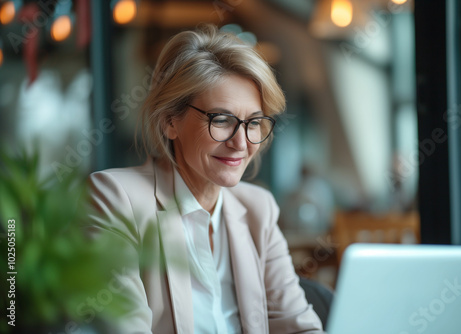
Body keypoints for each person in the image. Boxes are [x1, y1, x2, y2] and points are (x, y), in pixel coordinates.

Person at [86, 25, 323, 334]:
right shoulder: (116, 199)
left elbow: (297, 326)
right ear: (170, 121)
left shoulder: (259, 209)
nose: (241, 143)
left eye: (253, 122)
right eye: (221, 120)